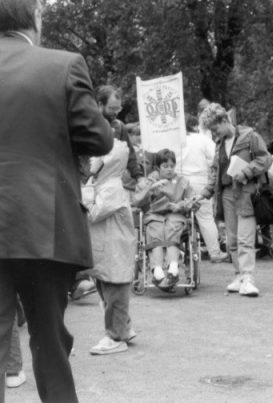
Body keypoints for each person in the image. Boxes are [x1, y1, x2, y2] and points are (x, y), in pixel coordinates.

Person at [0, 0, 114, 401]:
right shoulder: (62, 65)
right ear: (35, 18)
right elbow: (98, 139)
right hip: (43, 226)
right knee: (49, 343)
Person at [198, 103, 272, 297]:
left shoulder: (250, 136)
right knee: (231, 239)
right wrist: (205, 193)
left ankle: (248, 277)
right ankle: (239, 275)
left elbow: (266, 159)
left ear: (224, 120)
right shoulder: (220, 143)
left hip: (246, 193)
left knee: (245, 237)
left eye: (215, 129)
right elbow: (215, 171)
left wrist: (246, 171)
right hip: (227, 195)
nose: (214, 134)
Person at [82, 140, 137, 355]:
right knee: (106, 288)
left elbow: (94, 214)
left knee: (115, 290)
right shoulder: (103, 182)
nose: (90, 161)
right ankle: (124, 327)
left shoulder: (111, 185)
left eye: (94, 157)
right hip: (107, 248)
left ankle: (116, 336)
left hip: (115, 248)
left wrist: (83, 195)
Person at [134, 149, 194, 291]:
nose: (169, 169)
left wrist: (180, 205)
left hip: (175, 215)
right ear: (157, 167)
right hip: (154, 215)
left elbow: (193, 201)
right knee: (156, 231)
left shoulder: (182, 181)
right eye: (165, 166)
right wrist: (150, 189)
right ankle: (158, 272)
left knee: (172, 228)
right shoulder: (149, 181)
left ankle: (173, 269)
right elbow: (136, 201)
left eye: (172, 166)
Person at [176, 114, 229, 263]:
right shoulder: (203, 139)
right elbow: (215, 159)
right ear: (195, 126)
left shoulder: (175, 141)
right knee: (205, 218)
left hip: (179, 180)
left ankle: (179, 251)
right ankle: (215, 252)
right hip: (199, 179)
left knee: (178, 216)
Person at [96, 85, 144, 183]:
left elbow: (130, 155)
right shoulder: (86, 125)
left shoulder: (120, 127)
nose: (115, 113)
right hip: (88, 187)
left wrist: (139, 177)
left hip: (112, 187)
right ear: (101, 105)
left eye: (118, 109)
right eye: (112, 108)